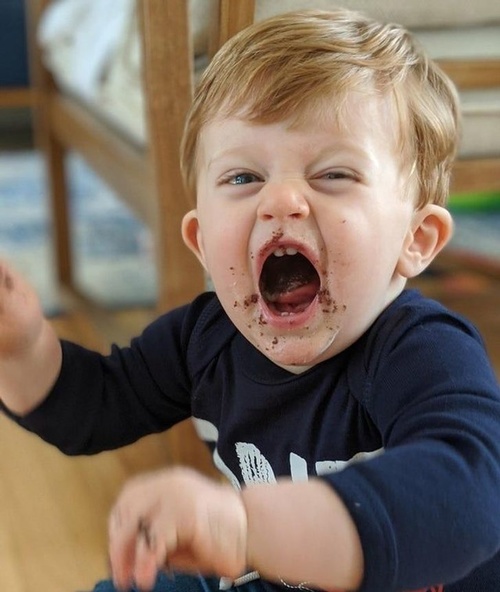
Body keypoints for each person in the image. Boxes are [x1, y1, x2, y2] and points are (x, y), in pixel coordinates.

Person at [1, 7, 500, 592]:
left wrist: (242, 526)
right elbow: (94, 404)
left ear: (415, 240)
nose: (280, 200)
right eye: (243, 178)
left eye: (333, 174)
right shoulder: (204, 339)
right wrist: (22, 347)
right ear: (201, 243)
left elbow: (473, 489)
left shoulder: (421, 351)